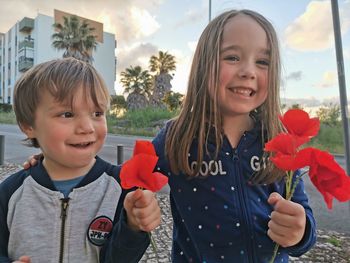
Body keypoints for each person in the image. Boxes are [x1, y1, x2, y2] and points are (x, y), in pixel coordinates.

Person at [152, 9, 316, 262]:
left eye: (262, 62)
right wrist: (135, 213)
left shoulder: (279, 140)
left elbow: (303, 214)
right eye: (232, 57)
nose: (248, 71)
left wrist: (300, 231)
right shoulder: (175, 138)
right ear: (203, 65)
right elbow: (128, 189)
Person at [0, 58, 160, 263]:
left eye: (97, 113)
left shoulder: (123, 189)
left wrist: (133, 227)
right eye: (67, 114)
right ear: (28, 126)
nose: (87, 127)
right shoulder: (11, 193)